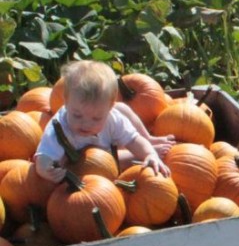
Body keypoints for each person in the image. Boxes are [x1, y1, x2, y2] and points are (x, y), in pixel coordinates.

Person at [35, 60, 174, 183]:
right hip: (90, 165)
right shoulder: (59, 126)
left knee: (123, 109)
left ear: (109, 107)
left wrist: (149, 154)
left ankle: (149, 139)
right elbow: (44, 155)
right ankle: (136, 154)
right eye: (77, 115)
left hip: (110, 145)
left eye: (96, 118)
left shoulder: (112, 117)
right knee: (113, 161)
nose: (86, 124)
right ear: (66, 102)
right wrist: (46, 169)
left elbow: (133, 140)